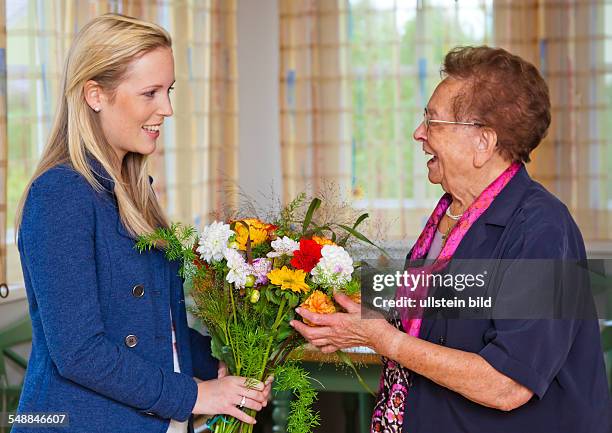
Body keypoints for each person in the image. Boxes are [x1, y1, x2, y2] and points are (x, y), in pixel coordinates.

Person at [291, 46, 611, 433]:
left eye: (433, 121)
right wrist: (346, 300)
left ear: (483, 142)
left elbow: (507, 384)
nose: (419, 133)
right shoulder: (452, 212)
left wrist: (382, 340)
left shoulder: (542, 229)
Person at [14, 13, 270, 433]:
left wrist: (225, 362)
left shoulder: (135, 190)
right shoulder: (59, 194)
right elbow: (79, 351)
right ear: (95, 94)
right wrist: (195, 395)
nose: (166, 109)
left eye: (168, 91)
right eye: (149, 92)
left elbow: (155, 326)